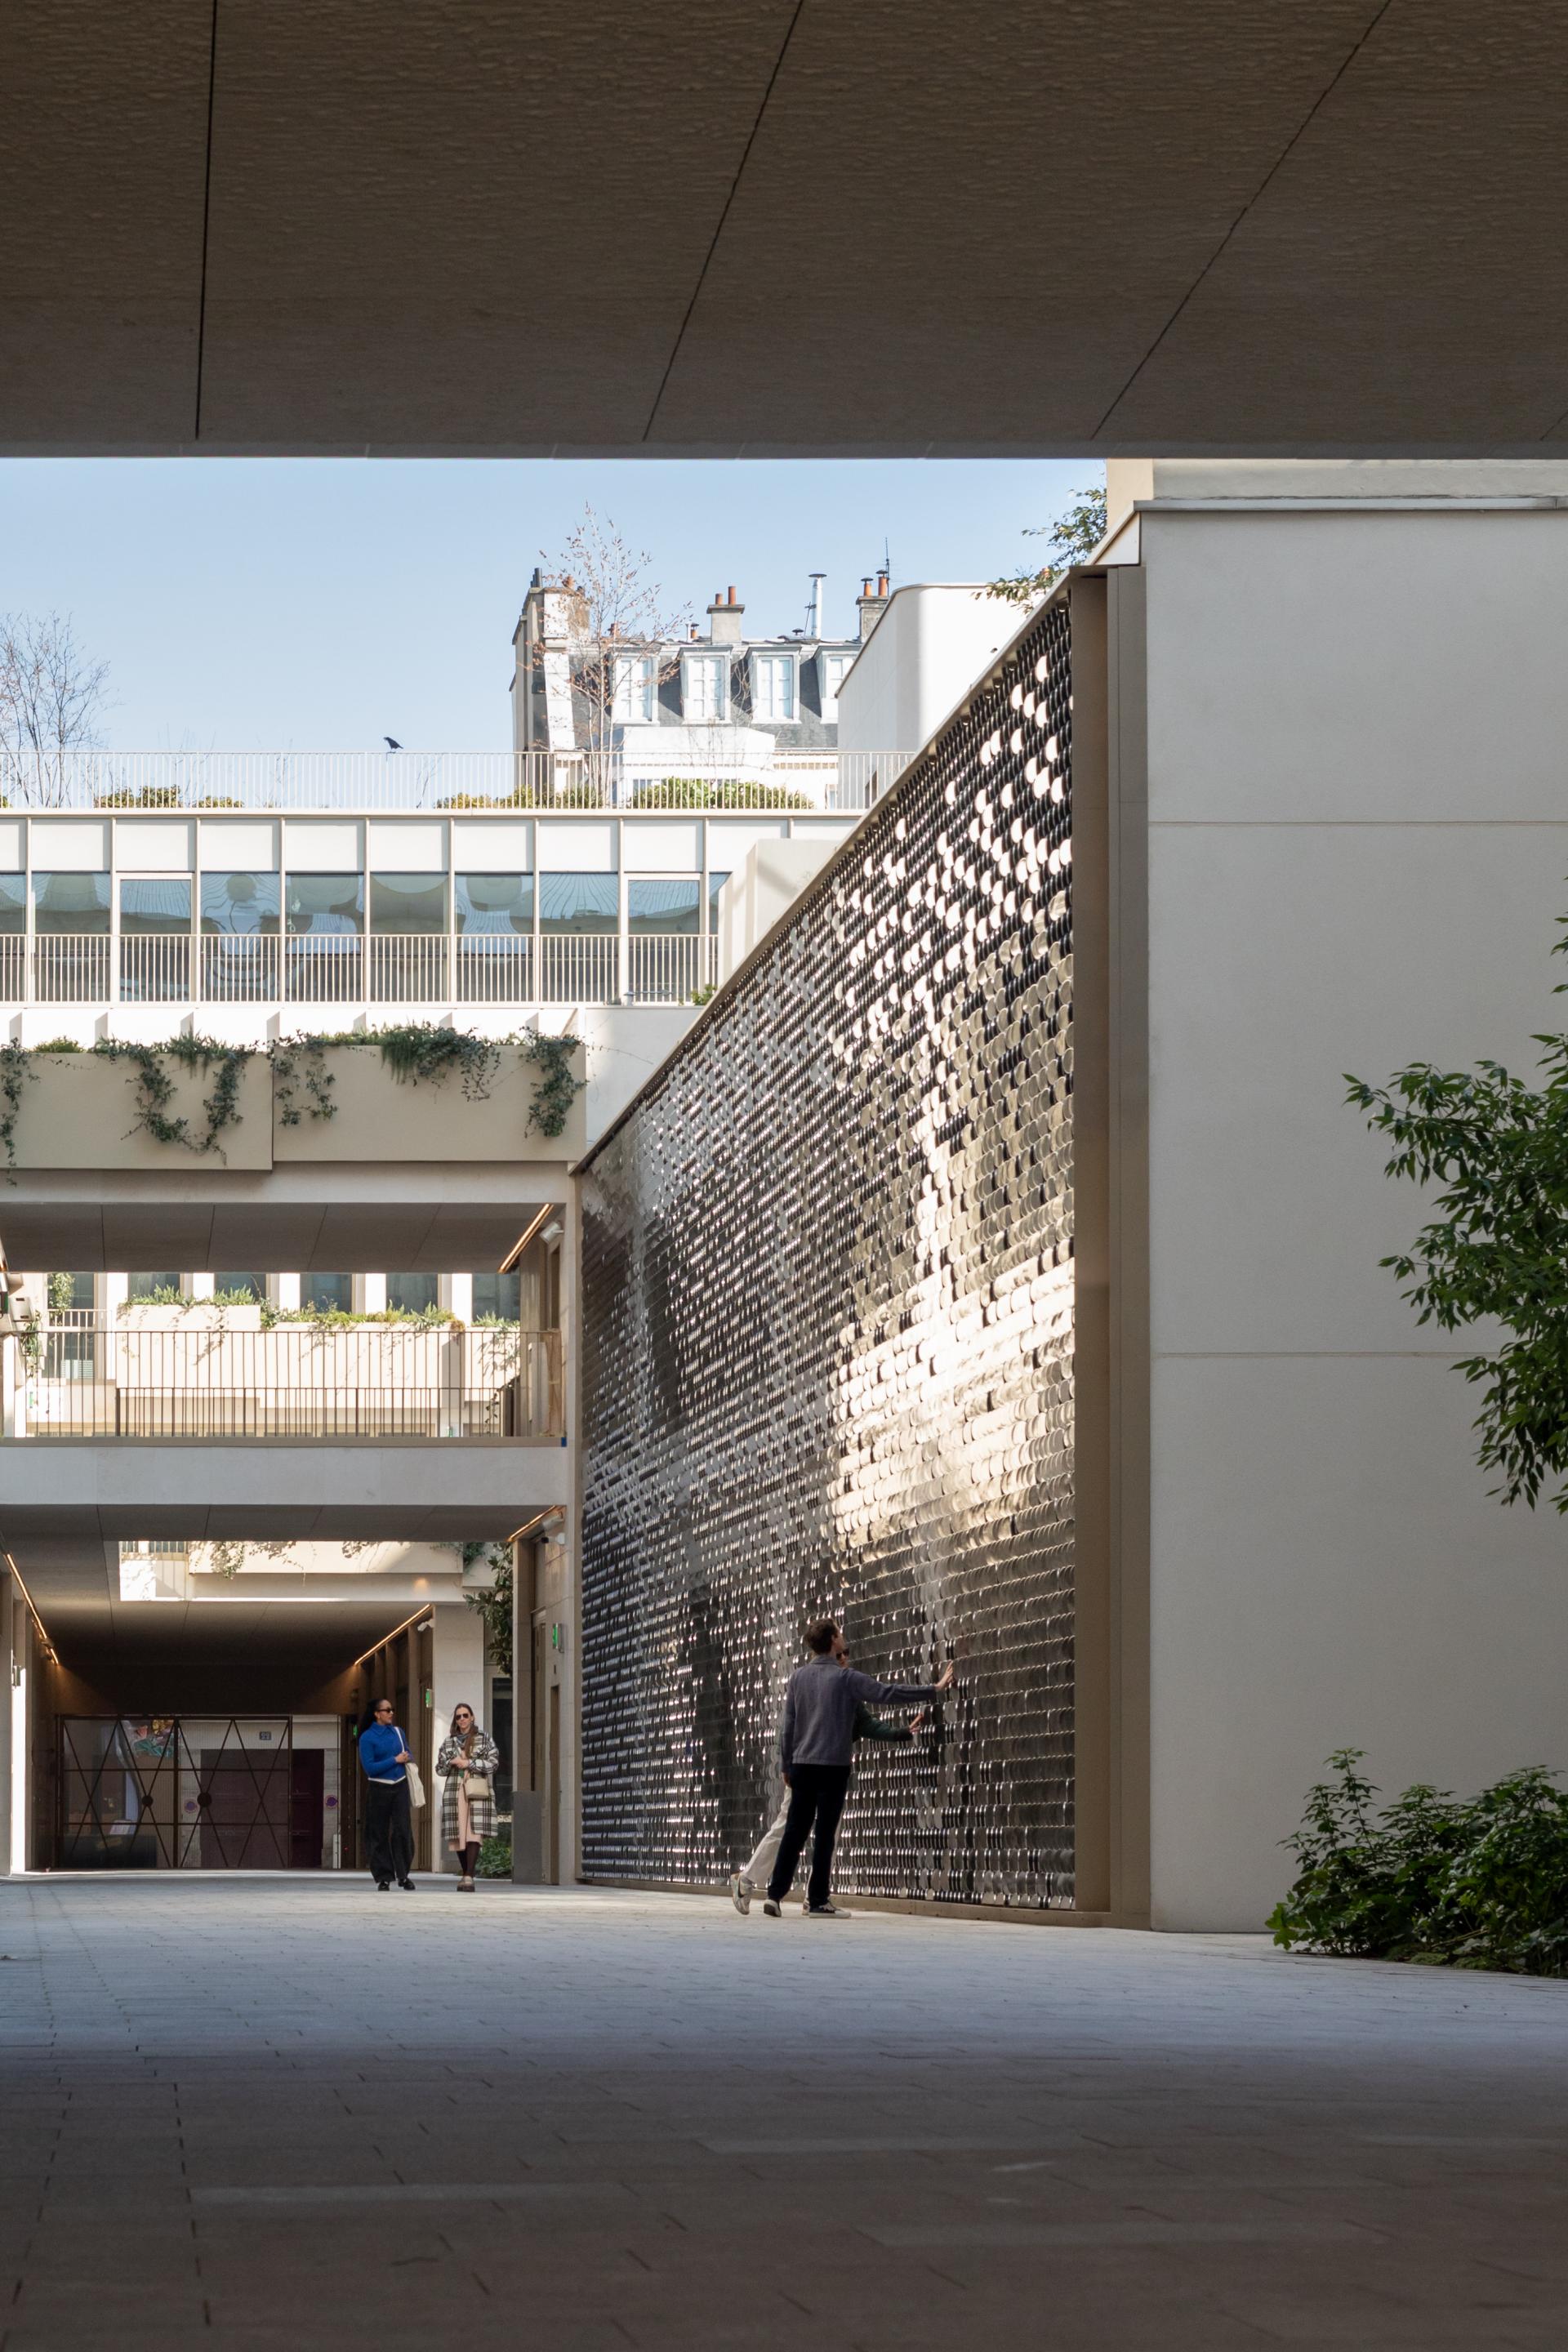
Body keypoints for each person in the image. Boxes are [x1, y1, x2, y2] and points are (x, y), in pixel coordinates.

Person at [763, 1619, 956, 1920]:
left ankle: (774, 1896)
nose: (844, 1640)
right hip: (832, 1767)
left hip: (801, 1765)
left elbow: (788, 1726)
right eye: (840, 1634)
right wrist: (934, 1689)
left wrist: (786, 1764)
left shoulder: (798, 1678)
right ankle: (817, 1901)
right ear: (833, 1640)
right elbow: (887, 1693)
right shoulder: (845, 1678)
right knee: (825, 1834)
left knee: (794, 1832)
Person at [730, 1690, 927, 1916]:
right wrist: (787, 1764)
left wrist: (902, 1733)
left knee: (817, 1830)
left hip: (825, 1770)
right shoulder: (815, 1687)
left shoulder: (846, 1690)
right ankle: (749, 1881)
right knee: (788, 1827)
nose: (844, 1659)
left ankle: (812, 1896)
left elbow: (867, 1724)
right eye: (840, 1655)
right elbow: (790, 1728)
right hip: (806, 1767)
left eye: (846, 1655)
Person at [436, 1701, 502, 1891]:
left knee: (474, 1832)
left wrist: (469, 1763)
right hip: (454, 1790)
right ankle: (466, 1874)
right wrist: (452, 1762)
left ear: (472, 1717)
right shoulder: (449, 1742)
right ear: (455, 1721)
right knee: (458, 1834)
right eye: (459, 1716)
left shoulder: (484, 1738)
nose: (462, 1719)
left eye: (466, 1715)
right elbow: (439, 1769)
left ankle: (469, 1875)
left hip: (477, 1788)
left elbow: (494, 1763)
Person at [359, 1697, 417, 1891]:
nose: (391, 1713)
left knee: (403, 1830)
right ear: (377, 1714)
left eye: (392, 1709)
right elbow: (370, 1768)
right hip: (378, 1787)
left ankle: (403, 1874)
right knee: (378, 1833)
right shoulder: (367, 1737)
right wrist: (395, 1760)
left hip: (400, 1785)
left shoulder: (399, 1733)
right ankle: (384, 1877)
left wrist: (406, 1757)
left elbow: (407, 1753)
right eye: (387, 1710)